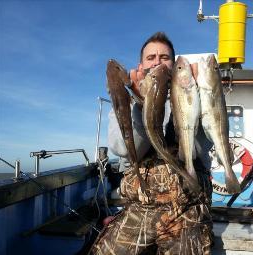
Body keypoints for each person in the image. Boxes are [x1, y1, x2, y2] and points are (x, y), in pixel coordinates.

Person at [91, 32, 214, 255]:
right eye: (151, 57)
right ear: (141, 65)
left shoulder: (193, 94)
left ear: (174, 64)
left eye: (164, 57)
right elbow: (124, 150)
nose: (157, 61)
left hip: (187, 206)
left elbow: (198, 150)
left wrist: (196, 100)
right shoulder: (125, 101)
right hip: (140, 207)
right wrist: (140, 104)